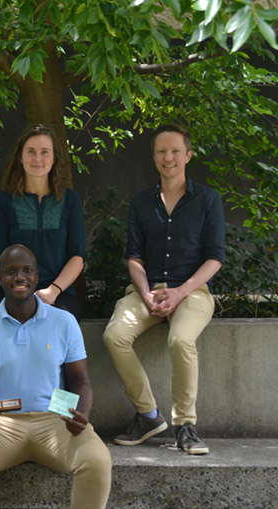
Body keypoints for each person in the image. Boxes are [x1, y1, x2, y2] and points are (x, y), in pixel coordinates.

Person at [0, 245, 112, 509]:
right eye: (10, 272)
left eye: (26, 271)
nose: (19, 277)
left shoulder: (63, 321)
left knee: (97, 461)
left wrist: (81, 413)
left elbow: (81, 381)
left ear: (37, 277)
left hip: (56, 418)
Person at [103, 123, 225, 455]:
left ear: (187, 155)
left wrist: (180, 292)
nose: (167, 157)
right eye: (161, 151)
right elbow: (134, 256)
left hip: (193, 292)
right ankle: (147, 415)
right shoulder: (142, 203)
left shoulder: (207, 201)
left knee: (181, 340)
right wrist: (144, 294)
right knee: (114, 336)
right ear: (154, 156)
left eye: (174, 151)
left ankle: (184, 425)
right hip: (147, 290)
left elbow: (215, 259)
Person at [0, 124, 86, 322]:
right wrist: (19, 291)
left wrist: (52, 291)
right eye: (31, 152)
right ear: (20, 158)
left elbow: (77, 256)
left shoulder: (70, 200)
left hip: (59, 292)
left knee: (59, 321)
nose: (37, 159)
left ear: (54, 159)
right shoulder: (4, 201)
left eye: (44, 152)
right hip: (12, 290)